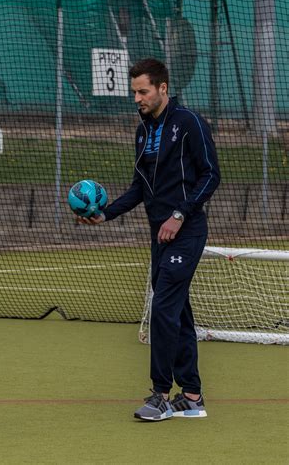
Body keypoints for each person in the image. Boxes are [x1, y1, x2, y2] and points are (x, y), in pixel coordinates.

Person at [78, 58, 220, 421]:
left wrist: (179, 214)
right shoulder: (143, 130)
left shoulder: (189, 123)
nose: (136, 98)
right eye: (134, 92)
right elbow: (140, 187)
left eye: (143, 91)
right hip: (160, 235)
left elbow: (211, 176)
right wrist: (106, 213)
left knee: (163, 310)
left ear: (162, 89)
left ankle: (160, 394)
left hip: (186, 231)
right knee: (179, 315)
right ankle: (191, 396)